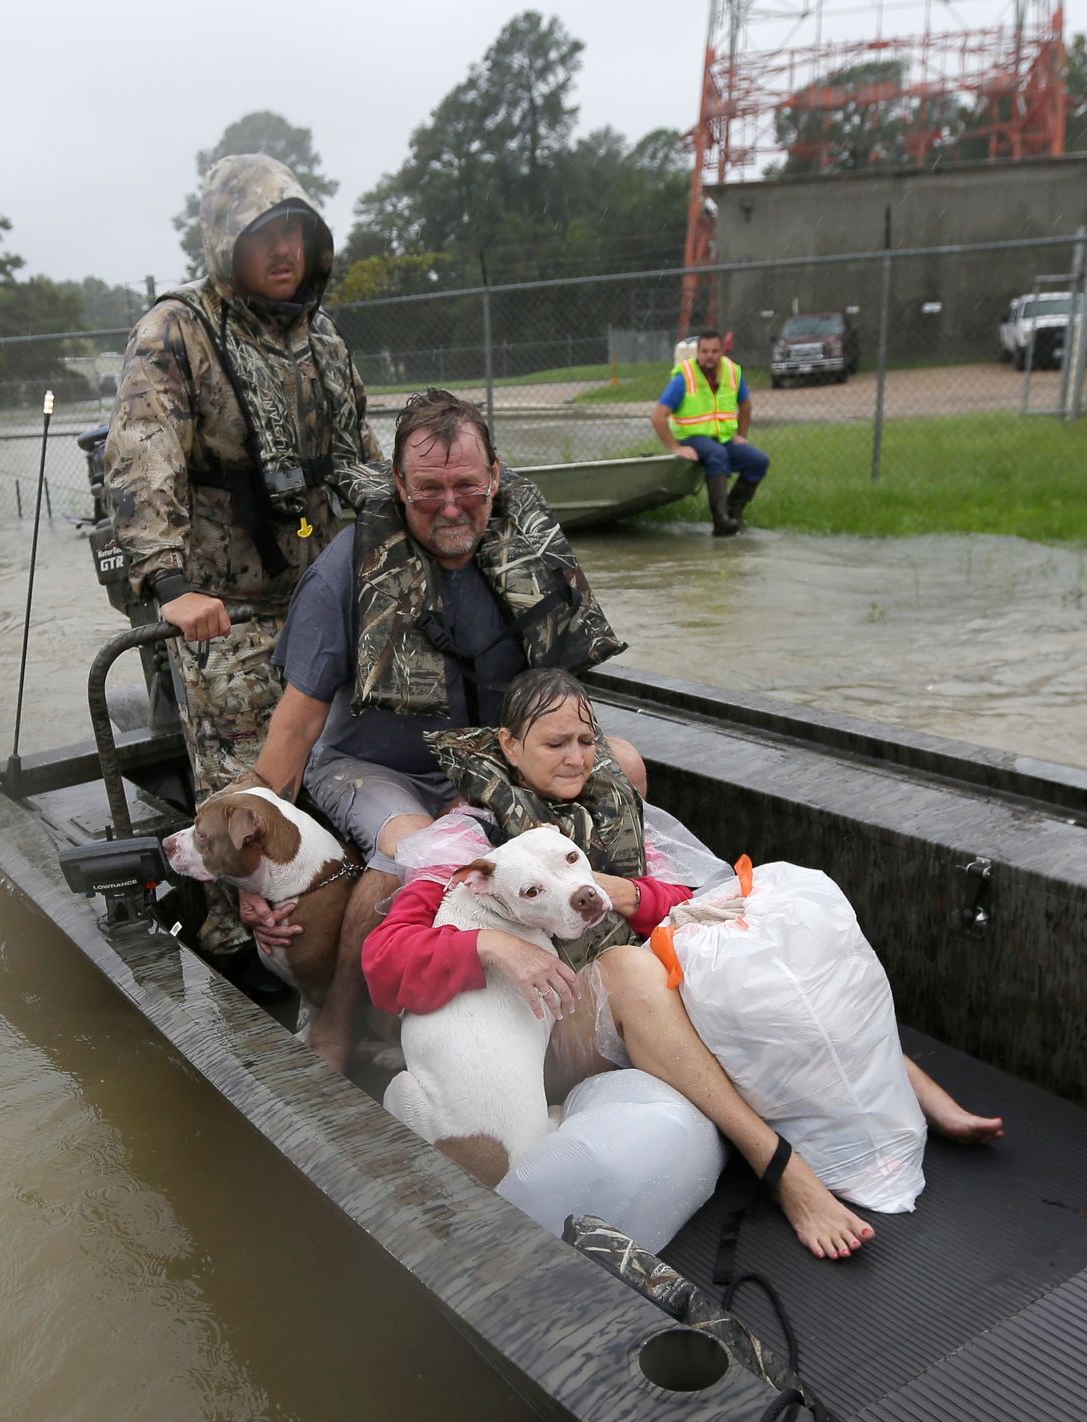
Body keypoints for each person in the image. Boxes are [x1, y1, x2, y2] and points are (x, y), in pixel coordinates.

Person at [362, 667, 1004, 1261]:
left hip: (625, 981)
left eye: (587, 740)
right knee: (631, 966)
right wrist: (493, 945)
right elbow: (384, 960)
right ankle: (781, 1168)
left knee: (768, 924)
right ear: (508, 744)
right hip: (546, 1024)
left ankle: (911, 1089)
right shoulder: (470, 841)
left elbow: (679, 898)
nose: (577, 758)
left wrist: (625, 891)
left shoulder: (609, 812)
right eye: (556, 743)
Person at [240, 390, 632, 1073]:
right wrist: (243, 870)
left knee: (621, 761)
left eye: (466, 487)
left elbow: (566, 702)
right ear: (397, 484)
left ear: (496, 477)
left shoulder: (532, 551)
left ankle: (610, 969)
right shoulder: (344, 572)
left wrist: (514, 778)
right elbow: (294, 732)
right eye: (429, 490)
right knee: (415, 850)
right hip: (370, 764)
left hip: (487, 755)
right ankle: (337, 1021)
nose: (451, 506)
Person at [105, 154, 381, 954]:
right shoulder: (177, 330)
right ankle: (239, 954)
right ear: (229, 240)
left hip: (323, 597)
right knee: (241, 804)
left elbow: (360, 456)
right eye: (268, 233)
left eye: (298, 231)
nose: (287, 249)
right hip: (227, 609)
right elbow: (142, 455)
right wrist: (168, 582)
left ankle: (339, 929)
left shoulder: (323, 342)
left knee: (341, 777)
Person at [650, 329, 770, 537]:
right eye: (705, 351)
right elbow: (658, 416)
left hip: (723, 438)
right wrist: (676, 447)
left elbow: (746, 406)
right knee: (717, 454)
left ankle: (734, 512)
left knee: (759, 461)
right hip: (692, 437)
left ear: (722, 351)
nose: (709, 356)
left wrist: (742, 435)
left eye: (714, 351)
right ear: (698, 352)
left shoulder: (733, 373)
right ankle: (720, 521)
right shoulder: (683, 378)